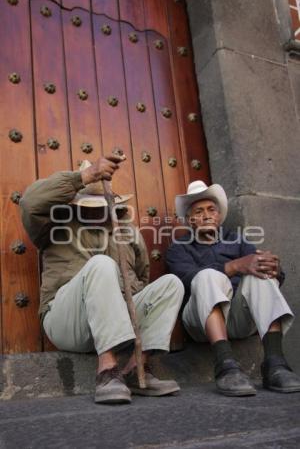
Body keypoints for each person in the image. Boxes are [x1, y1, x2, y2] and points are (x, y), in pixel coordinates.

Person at [20, 155, 184, 404]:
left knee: (171, 284)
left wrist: (118, 300)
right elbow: (30, 202)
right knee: (101, 265)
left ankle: (135, 369)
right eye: (87, 205)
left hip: (117, 322)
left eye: (100, 205)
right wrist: (85, 176)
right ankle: (107, 371)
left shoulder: (127, 232)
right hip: (69, 322)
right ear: (76, 204)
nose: (95, 211)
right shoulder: (53, 224)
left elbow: (142, 275)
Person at [166, 180, 300, 396]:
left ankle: (275, 363)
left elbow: (265, 270)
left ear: (219, 216)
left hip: (239, 319)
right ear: (190, 220)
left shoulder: (237, 240)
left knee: (260, 274)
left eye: (211, 209)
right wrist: (236, 265)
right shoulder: (178, 248)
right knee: (206, 275)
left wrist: (274, 269)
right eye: (198, 211)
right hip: (201, 322)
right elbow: (187, 279)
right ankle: (225, 365)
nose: (206, 215)